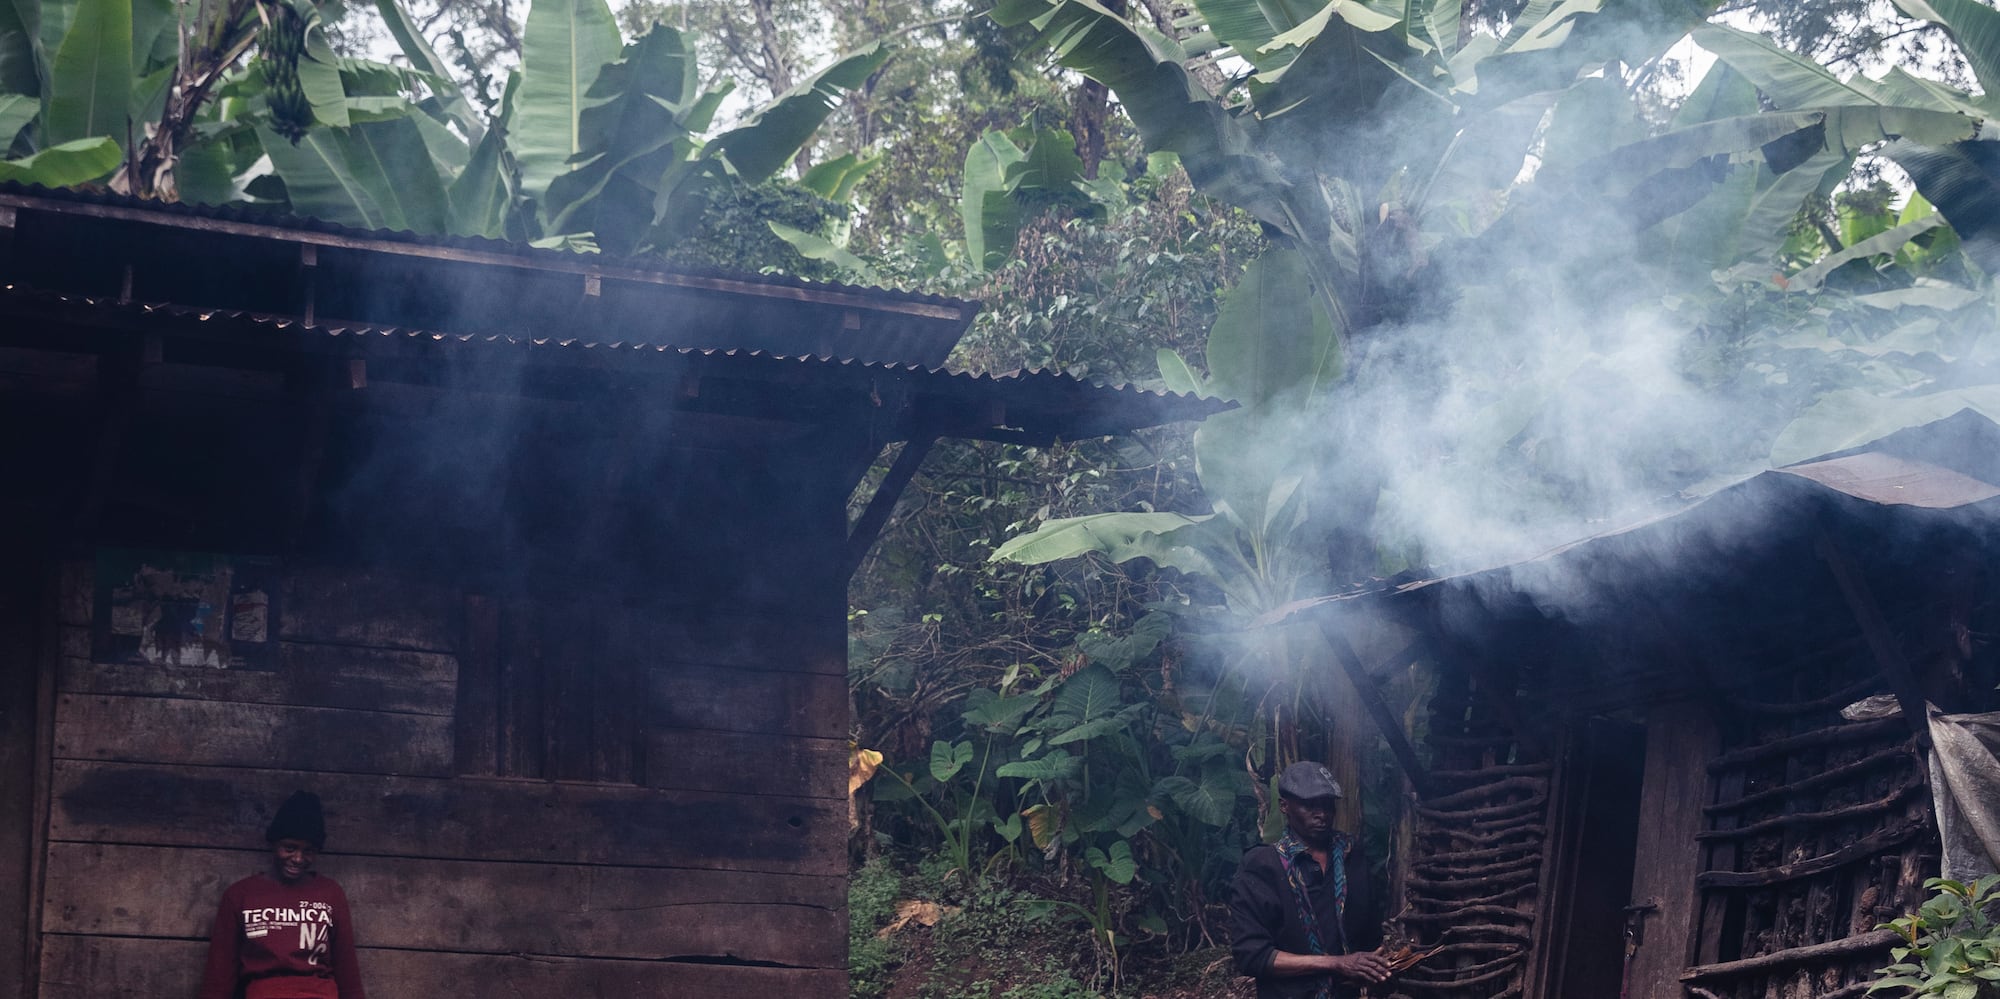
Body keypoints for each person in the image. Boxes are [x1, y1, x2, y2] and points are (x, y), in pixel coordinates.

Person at [1230, 761, 1390, 999]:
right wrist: (1337, 963)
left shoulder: (1351, 855)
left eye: (1327, 805)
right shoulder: (1262, 866)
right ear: (1284, 806)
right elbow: (1253, 956)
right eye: (1309, 805)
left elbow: (1370, 934)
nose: (1322, 814)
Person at [199, 791, 367, 999]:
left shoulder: (330, 893)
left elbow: (347, 970)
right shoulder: (241, 895)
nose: (298, 858)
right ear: (274, 844)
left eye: (308, 851)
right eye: (290, 848)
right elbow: (219, 976)